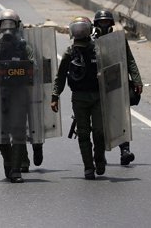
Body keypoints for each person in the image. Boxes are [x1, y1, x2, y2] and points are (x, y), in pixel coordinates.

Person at [0, 9, 35, 183]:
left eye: (11, 24)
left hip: (19, 93)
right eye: (4, 24)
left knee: (18, 131)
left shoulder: (24, 46)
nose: (8, 28)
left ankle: (16, 169)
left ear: (17, 26)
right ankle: (8, 160)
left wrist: (25, 72)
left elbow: (35, 66)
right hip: (1, 94)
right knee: (1, 132)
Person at [51, 17, 105, 180]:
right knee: (83, 133)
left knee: (99, 132)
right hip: (79, 98)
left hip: (98, 97)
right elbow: (60, 76)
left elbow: (113, 70)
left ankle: (99, 159)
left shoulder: (99, 49)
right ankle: (88, 167)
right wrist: (55, 96)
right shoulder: (70, 52)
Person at [93, 9, 143, 165]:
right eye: (101, 22)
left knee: (121, 117)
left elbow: (129, 60)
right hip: (97, 86)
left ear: (111, 24)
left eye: (106, 22)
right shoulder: (90, 40)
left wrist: (137, 80)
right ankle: (99, 154)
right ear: (96, 24)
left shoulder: (118, 39)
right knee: (99, 122)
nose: (104, 25)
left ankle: (125, 150)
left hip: (116, 83)